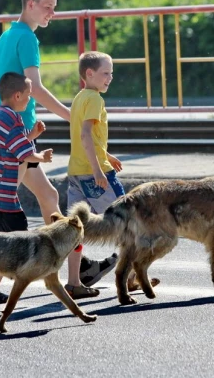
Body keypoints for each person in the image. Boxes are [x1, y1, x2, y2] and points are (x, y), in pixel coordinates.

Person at [0, 0, 115, 302]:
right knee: (31, 204)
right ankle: (68, 275)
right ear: (31, 4)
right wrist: (72, 116)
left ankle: (68, 273)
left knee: (32, 202)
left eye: (54, 8)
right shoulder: (27, 39)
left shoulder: (5, 37)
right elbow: (37, 88)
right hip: (18, 136)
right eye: (47, 7)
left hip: (9, 133)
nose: (52, 14)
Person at [0, 72, 53, 303]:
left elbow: (12, 145)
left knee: (0, 241)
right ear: (17, 95)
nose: (30, 100)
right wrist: (43, 157)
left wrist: (32, 135)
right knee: (15, 241)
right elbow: (24, 154)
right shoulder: (13, 119)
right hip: (3, 193)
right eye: (28, 96)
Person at [66, 51, 129, 296]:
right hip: (95, 175)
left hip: (75, 174)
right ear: (89, 74)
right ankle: (130, 277)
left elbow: (89, 139)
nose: (110, 78)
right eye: (105, 73)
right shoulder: (94, 99)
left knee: (75, 229)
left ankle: (73, 282)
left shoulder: (79, 98)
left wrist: (106, 155)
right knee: (127, 223)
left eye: (111, 73)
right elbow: (85, 134)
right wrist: (98, 169)